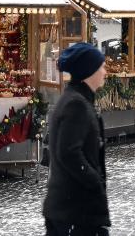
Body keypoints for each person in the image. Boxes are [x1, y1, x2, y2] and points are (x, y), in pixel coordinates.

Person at [43, 43, 110, 236]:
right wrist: (94, 181)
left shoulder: (75, 99)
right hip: (75, 212)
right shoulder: (76, 105)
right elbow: (68, 153)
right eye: (101, 67)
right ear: (89, 71)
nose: (105, 72)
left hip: (69, 209)